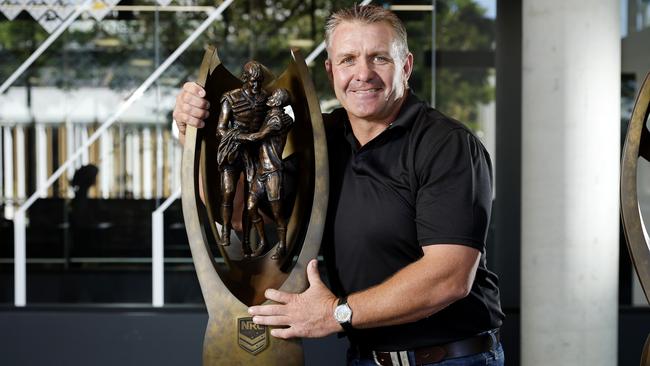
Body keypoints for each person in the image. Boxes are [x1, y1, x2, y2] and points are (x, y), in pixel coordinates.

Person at [173, 5, 504, 366]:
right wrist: (194, 137)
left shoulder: (445, 144)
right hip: (365, 358)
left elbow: (449, 277)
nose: (363, 74)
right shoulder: (323, 141)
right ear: (331, 71)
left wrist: (336, 314)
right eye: (348, 60)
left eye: (379, 58)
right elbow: (238, 215)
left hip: (447, 360)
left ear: (405, 66)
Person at [215, 61, 268, 253]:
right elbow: (221, 129)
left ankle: (246, 240)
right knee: (228, 192)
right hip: (233, 150)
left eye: (259, 82)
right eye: (253, 81)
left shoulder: (265, 98)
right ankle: (226, 231)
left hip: (254, 153)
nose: (256, 86)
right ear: (245, 79)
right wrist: (242, 136)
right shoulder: (231, 98)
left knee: (250, 198)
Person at [237, 88, 294, 260]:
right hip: (261, 171)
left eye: (274, 96)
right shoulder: (271, 116)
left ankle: (282, 245)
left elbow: (258, 136)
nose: (270, 98)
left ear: (278, 102)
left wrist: (237, 135)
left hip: (273, 173)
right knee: (251, 206)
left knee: (277, 213)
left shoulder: (278, 119)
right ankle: (263, 242)